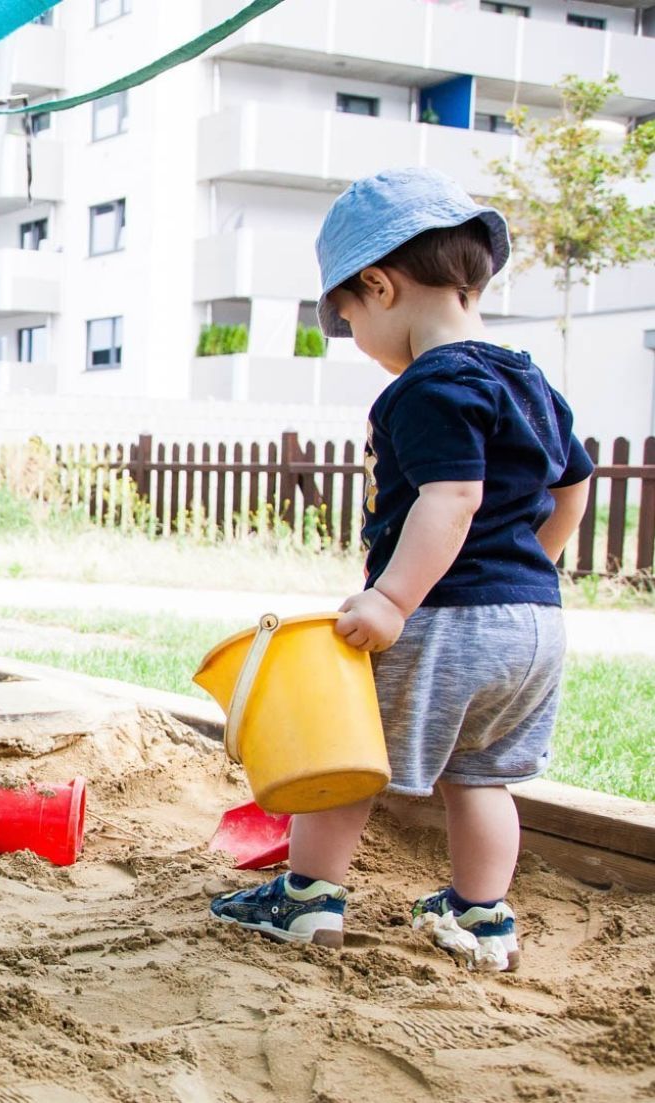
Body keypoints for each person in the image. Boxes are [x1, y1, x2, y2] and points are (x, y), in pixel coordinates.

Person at [209, 168, 593, 972]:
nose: (358, 343)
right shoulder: (531, 381)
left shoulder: (429, 386)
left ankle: (308, 898)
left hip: (442, 616)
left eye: (347, 321)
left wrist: (391, 597)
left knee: (343, 757)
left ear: (377, 286)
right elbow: (574, 482)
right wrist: (536, 564)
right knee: (483, 776)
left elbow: (452, 497)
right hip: (532, 626)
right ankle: (481, 914)